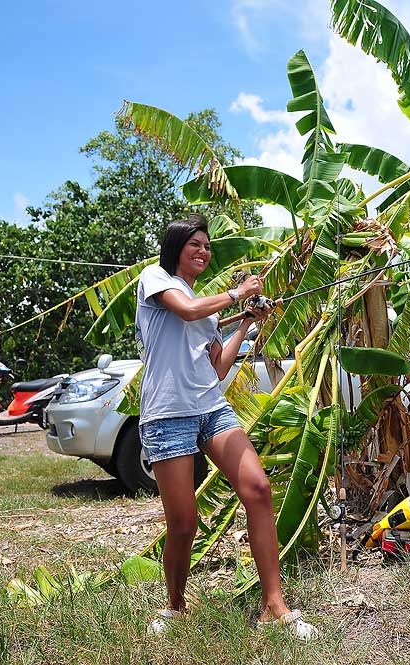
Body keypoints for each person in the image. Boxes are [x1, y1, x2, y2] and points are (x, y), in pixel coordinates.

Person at [135, 213, 316, 640]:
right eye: (195, 243)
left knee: (258, 489)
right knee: (183, 524)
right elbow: (187, 310)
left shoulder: (209, 308)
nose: (203, 250)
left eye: (207, 245)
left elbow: (217, 367)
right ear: (176, 247)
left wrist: (248, 322)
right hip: (168, 414)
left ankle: (275, 606)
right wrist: (238, 293)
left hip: (210, 408)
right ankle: (175, 606)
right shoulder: (155, 281)